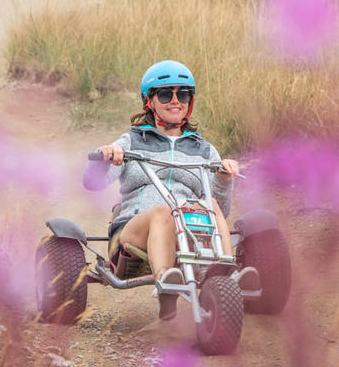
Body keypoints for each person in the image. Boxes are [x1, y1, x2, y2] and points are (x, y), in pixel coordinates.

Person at [84, 60, 240, 320]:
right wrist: (106, 158)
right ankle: (166, 285)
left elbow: (220, 211)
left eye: (183, 94)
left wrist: (224, 179)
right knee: (163, 212)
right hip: (135, 233)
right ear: (150, 100)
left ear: (190, 100)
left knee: (210, 205)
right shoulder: (131, 141)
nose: (175, 101)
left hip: (189, 233)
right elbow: (93, 184)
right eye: (166, 94)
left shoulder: (204, 150)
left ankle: (224, 275)